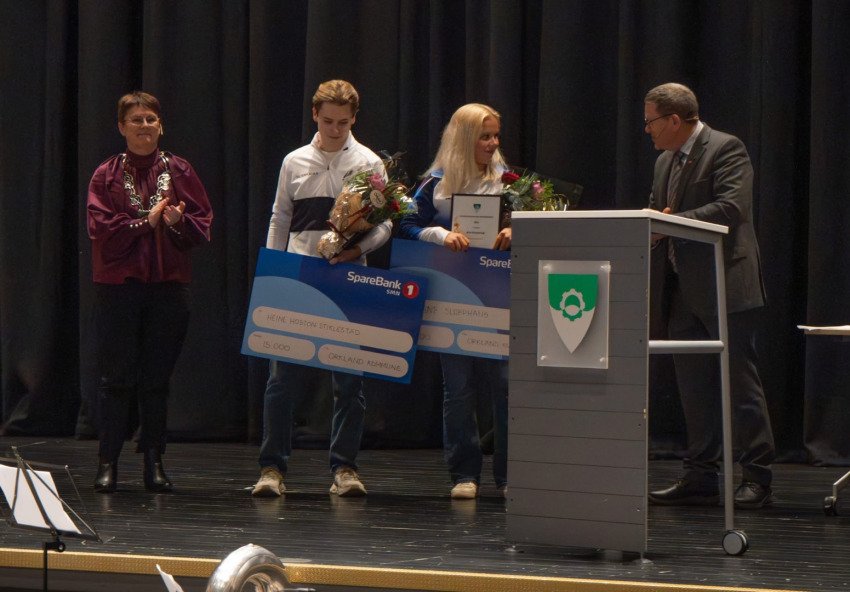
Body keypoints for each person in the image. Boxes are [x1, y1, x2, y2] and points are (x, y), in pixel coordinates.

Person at [252, 80, 391, 498]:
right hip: (298, 276)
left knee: (349, 382)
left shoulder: (369, 162)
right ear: (315, 115)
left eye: (343, 122)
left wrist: (357, 250)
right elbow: (280, 217)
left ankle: (345, 469)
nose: (335, 129)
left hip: (348, 279)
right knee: (282, 379)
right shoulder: (294, 161)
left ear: (354, 119)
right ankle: (271, 469)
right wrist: (273, 271)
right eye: (328, 121)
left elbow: (385, 223)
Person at [644, 83, 775, 509]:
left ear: (674, 120)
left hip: (725, 284)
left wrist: (670, 223)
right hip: (680, 289)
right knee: (694, 389)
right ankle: (701, 474)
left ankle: (756, 476)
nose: (647, 130)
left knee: (740, 386)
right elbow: (657, 211)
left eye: (651, 121)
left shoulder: (726, 148)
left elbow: (732, 208)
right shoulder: (664, 161)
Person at [87, 91, 213, 493]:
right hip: (118, 288)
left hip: (167, 288)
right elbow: (101, 231)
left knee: (157, 380)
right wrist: (147, 223)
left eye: (151, 119)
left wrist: (176, 222)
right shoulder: (106, 174)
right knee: (115, 379)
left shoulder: (179, 169)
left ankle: (154, 463)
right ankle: (107, 462)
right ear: (121, 127)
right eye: (136, 120)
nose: (144, 126)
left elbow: (202, 224)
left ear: (161, 125)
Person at [399, 103, 510, 499]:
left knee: (506, 385)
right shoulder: (436, 183)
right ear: (464, 139)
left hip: (499, 297)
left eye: (495, 136)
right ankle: (464, 474)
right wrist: (441, 235)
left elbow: (542, 220)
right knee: (458, 388)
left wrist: (517, 228)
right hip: (453, 297)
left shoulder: (508, 182)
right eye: (484, 136)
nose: (492, 143)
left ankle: (509, 476)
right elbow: (406, 224)